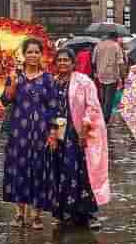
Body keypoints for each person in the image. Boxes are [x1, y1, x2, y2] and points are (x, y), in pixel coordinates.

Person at [1, 38, 60, 229]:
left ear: (41, 55)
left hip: (41, 132)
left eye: (36, 52)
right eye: (29, 52)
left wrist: (52, 132)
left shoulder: (48, 79)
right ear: (23, 55)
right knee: (19, 168)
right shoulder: (15, 77)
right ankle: (19, 213)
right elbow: (5, 100)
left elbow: (54, 107)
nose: (33, 55)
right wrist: (11, 84)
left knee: (39, 170)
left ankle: (36, 215)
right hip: (19, 132)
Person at [46, 49, 108, 229]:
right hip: (59, 131)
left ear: (73, 63)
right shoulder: (53, 82)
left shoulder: (84, 81)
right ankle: (64, 213)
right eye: (59, 60)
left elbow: (93, 106)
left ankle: (87, 214)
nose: (63, 63)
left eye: (66, 60)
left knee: (81, 172)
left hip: (79, 132)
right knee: (61, 170)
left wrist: (85, 127)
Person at [92, 32, 126, 123]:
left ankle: (102, 116)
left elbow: (93, 61)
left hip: (100, 75)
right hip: (112, 76)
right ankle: (105, 118)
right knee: (109, 99)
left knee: (103, 98)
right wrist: (123, 77)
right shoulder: (116, 46)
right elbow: (120, 63)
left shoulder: (98, 45)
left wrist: (96, 71)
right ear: (115, 38)